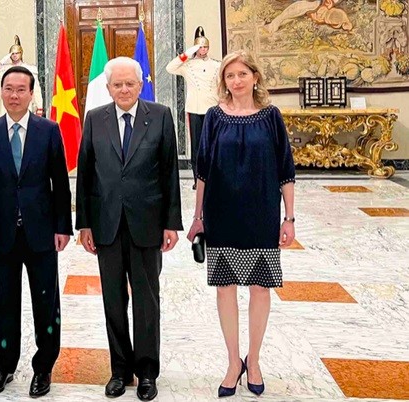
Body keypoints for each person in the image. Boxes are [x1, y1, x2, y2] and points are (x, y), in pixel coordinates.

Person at [186, 50, 296, 398]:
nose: (236, 80)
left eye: (242, 74)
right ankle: (234, 361)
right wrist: (197, 216)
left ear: (255, 77)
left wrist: (289, 218)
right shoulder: (215, 117)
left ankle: (256, 359)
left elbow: (285, 170)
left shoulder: (271, 116)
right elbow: (202, 170)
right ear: (224, 81)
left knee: (261, 288)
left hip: (261, 212)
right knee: (225, 287)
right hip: (221, 212)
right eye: (230, 75)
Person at [75, 57, 182, 401]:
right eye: (117, 85)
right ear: (108, 88)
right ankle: (120, 370)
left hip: (147, 223)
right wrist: (85, 223)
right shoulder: (94, 119)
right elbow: (86, 175)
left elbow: (169, 173)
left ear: (141, 85)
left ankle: (147, 371)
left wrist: (171, 222)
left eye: (129, 84)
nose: (123, 90)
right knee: (113, 300)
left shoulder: (161, 115)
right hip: (106, 224)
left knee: (147, 300)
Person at [0, 65, 72, 398]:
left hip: (42, 231)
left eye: (21, 89)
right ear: (1, 92)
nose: (14, 95)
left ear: (32, 94)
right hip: (3, 232)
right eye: (8, 89)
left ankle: (43, 367)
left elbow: (60, 183)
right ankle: (5, 366)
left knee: (46, 301)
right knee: (5, 301)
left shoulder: (48, 130)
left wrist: (63, 227)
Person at [166, 26, 220, 190]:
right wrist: (188, 52)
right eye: (200, 47)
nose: (203, 50)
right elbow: (170, 67)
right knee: (196, 146)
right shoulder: (187, 65)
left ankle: (214, 177)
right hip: (195, 109)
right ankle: (198, 179)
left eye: (205, 47)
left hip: (212, 108)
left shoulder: (217, 65)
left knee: (213, 143)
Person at [0, 35, 44, 116]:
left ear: (21, 53)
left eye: (17, 53)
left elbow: (36, 89)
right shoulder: (4, 69)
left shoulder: (29, 69)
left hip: (24, 104)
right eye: (12, 53)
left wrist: (39, 107)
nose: (14, 55)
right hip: (7, 105)